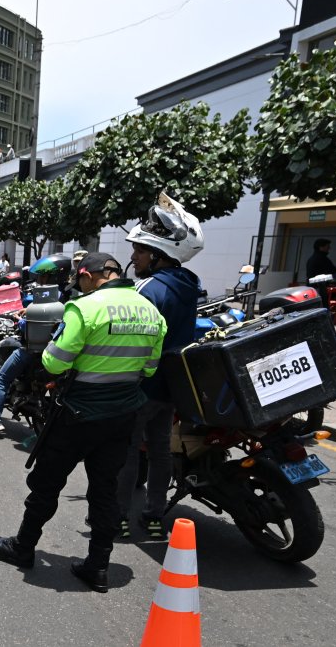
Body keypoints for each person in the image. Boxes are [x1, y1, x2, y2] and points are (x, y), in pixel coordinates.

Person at [0, 252, 166, 593]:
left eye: (80, 279)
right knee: (105, 489)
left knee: (47, 482)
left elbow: (54, 363)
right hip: (123, 413)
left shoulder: (85, 309)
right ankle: (98, 565)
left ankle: (23, 547)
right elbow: (150, 368)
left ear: (92, 275)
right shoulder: (151, 312)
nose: (78, 285)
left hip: (79, 413)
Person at [118, 194, 203, 540]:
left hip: (142, 384)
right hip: (170, 387)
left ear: (156, 255)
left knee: (126, 452)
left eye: (139, 250)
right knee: (158, 451)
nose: (133, 256)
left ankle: (119, 517)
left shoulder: (149, 289)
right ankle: (154, 516)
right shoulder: (188, 284)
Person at [0, 253, 71, 438]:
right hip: (59, 352)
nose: (39, 279)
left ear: (49, 275)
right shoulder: (67, 298)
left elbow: (32, 326)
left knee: (1, 379)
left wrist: (19, 320)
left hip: (32, 351)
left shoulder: (40, 300)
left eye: (41, 276)